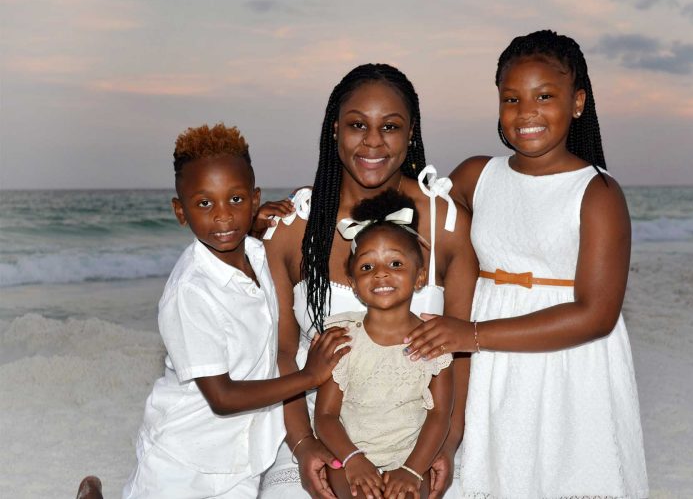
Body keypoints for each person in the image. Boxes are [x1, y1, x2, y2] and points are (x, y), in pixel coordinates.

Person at [404, 30, 649, 497]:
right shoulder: (478, 176)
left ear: (577, 102)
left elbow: (597, 315)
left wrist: (470, 335)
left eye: (544, 96)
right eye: (512, 98)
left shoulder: (597, 193)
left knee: (562, 471)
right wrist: (306, 208)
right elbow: (409, 220)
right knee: (495, 470)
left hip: (569, 365)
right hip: (493, 365)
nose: (526, 112)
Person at [260, 64, 477, 498]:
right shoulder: (291, 229)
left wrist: (447, 446)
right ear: (335, 129)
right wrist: (304, 447)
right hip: (320, 428)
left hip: (423, 438)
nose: (373, 141)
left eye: (390, 127)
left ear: (411, 133)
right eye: (358, 124)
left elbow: (461, 351)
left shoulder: (446, 225)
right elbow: (282, 353)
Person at [120, 123, 350, 498]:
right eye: (205, 204)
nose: (223, 216)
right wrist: (310, 376)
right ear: (181, 212)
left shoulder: (258, 255)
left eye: (236, 200)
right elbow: (222, 397)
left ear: (256, 199)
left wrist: (256, 228)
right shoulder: (191, 292)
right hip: (185, 460)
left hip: (245, 458)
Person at [315, 190, 454, 499]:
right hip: (348, 450)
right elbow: (325, 417)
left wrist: (413, 469)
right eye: (366, 267)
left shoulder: (435, 341)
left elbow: (440, 414)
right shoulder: (343, 339)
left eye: (395, 263)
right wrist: (353, 460)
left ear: (419, 277)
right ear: (352, 282)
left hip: (412, 453)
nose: (381, 273)